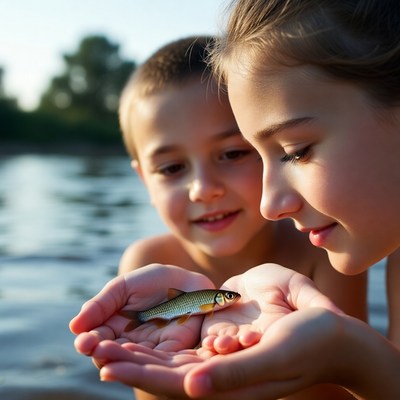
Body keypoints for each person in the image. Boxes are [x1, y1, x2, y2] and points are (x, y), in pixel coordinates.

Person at [69, 27, 382, 399]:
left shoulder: (326, 252)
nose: (204, 189)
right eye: (171, 169)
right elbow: (149, 379)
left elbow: (343, 390)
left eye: (232, 154)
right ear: (144, 181)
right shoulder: (146, 262)